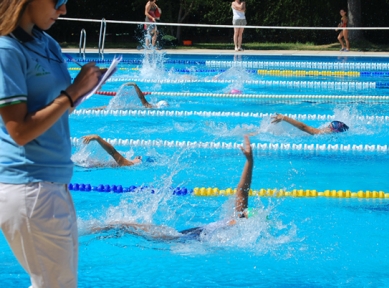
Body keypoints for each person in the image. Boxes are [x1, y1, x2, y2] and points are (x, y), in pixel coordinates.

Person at [0, 0, 104, 287]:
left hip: (53, 182)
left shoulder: (46, 43)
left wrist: (84, 89)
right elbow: (18, 130)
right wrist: (72, 93)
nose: (63, 10)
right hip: (27, 186)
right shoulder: (6, 50)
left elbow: (55, 109)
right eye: (57, 1)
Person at [89, 135, 254, 241]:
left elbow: (242, 191)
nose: (243, 208)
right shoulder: (235, 223)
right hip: (188, 236)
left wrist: (250, 162)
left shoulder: (236, 222)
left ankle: (102, 227)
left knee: (133, 228)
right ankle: (105, 227)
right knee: (133, 228)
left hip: (186, 239)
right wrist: (249, 162)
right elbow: (242, 191)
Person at [271, 114, 349, 135]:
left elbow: (304, 127)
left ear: (333, 131)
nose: (326, 127)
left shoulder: (319, 133)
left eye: (329, 127)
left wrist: (284, 118)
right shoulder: (326, 134)